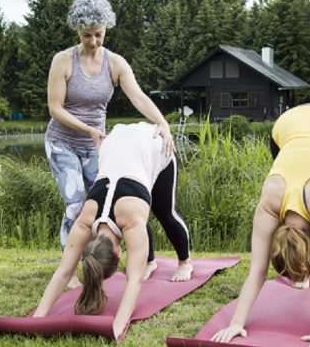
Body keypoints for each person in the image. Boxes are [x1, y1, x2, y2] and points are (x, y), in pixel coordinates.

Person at [211, 103, 310, 347]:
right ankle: (301, 268)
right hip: (286, 126)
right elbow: (257, 271)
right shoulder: (268, 205)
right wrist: (236, 323)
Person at [44, 0, 174, 288]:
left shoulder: (115, 63)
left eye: (98, 34)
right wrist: (88, 129)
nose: (93, 41)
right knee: (76, 204)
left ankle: (108, 258)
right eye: (87, 35)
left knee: (104, 203)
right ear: (78, 31)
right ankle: (71, 271)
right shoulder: (63, 61)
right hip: (62, 142)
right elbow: (55, 108)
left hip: (97, 146)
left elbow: (138, 96)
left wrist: (161, 122)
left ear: (106, 29)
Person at [33, 122, 192, 339]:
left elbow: (134, 279)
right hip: (117, 143)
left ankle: (185, 262)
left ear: (119, 253)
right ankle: (150, 261)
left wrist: (118, 324)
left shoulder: (130, 219)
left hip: (154, 142)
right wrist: (37, 318)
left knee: (165, 213)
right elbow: (63, 272)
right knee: (134, 220)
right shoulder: (85, 220)